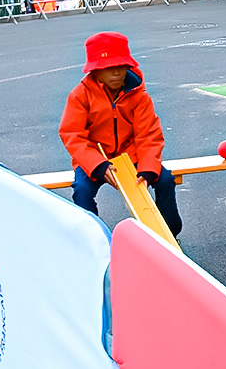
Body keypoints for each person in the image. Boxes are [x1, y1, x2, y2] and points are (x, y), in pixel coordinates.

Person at [59, 31, 183, 236]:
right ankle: (94, 238)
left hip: (132, 156)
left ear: (128, 66)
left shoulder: (138, 95)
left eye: (120, 66)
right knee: (82, 189)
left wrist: (147, 168)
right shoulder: (80, 95)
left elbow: (149, 134)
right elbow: (72, 134)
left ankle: (169, 232)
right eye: (108, 68)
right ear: (95, 71)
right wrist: (97, 165)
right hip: (95, 158)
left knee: (165, 179)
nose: (116, 72)